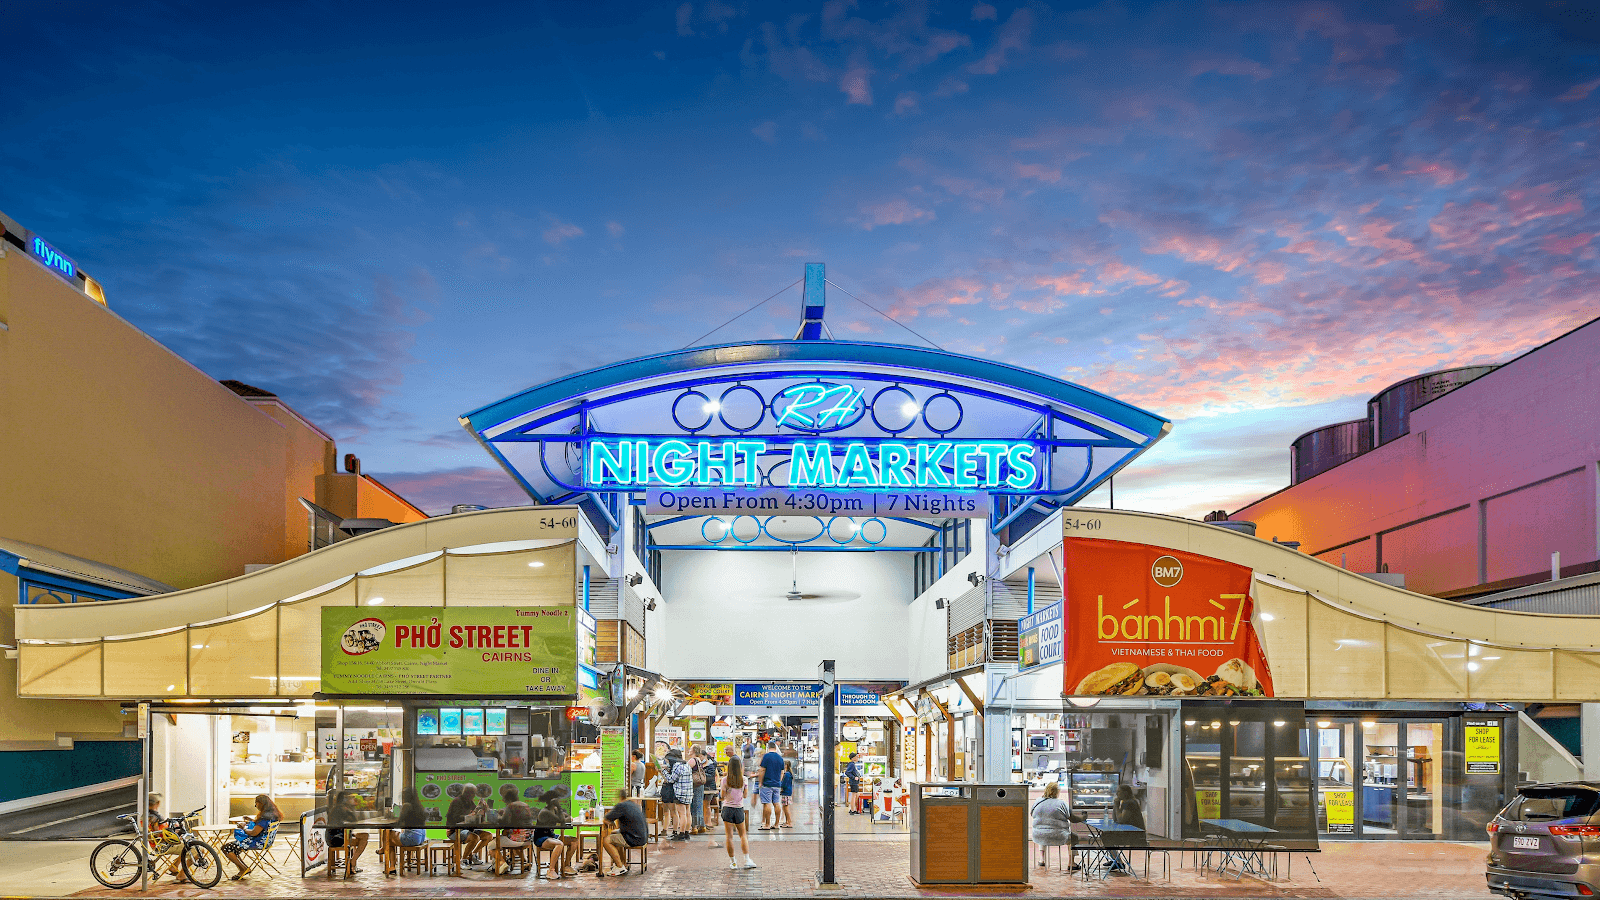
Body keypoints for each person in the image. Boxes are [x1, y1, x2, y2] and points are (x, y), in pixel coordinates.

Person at [221, 793, 282, 880]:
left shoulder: (264, 817)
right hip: (266, 841)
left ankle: (244, 869)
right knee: (233, 848)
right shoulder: (273, 814)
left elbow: (254, 833)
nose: (255, 805)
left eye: (256, 803)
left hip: (258, 842)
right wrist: (251, 820)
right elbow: (261, 827)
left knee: (226, 848)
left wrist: (243, 827)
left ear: (261, 804)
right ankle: (243, 868)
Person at [1029, 781, 1083, 872]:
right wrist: (1083, 817)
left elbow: (1031, 814)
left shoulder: (1037, 802)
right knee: (1074, 837)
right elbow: (1072, 818)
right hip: (1059, 836)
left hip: (1038, 835)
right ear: (1057, 792)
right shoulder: (1061, 803)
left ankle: (1041, 859)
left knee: (1043, 829)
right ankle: (1071, 863)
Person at [532, 788, 581, 877]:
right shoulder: (545, 812)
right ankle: (551, 870)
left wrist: (562, 815)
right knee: (559, 844)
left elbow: (568, 817)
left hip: (551, 836)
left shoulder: (554, 810)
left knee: (574, 841)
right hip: (541, 838)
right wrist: (560, 809)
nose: (559, 800)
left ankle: (566, 866)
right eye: (557, 799)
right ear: (552, 800)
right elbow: (562, 820)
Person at [719, 755, 757, 870]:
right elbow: (745, 795)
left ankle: (733, 862)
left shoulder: (724, 780)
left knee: (729, 836)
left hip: (727, 809)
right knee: (743, 835)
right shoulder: (744, 779)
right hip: (739, 809)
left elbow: (722, 796)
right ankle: (747, 860)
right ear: (740, 766)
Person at [601, 788, 649, 876]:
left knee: (606, 840)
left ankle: (619, 867)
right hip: (643, 837)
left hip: (634, 838)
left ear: (619, 797)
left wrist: (609, 821)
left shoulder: (621, 806)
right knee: (615, 836)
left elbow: (606, 819)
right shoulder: (633, 804)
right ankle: (623, 864)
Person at [380, 789, 427, 877]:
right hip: (421, 837)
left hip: (412, 838)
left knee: (387, 835)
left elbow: (399, 821)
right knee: (390, 838)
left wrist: (392, 818)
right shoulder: (419, 806)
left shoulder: (407, 805)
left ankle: (391, 865)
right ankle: (386, 853)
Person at [445, 785, 493, 868]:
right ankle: (463, 861)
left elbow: (475, 814)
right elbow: (453, 818)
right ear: (468, 793)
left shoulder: (470, 801)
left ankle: (473, 855)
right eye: (473, 793)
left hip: (469, 829)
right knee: (475, 838)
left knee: (488, 836)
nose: (474, 795)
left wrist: (482, 810)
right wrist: (468, 815)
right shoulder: (457, 801)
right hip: (455, 831)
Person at [327, 790, 372, 878]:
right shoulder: (340, 809)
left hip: (341, 835)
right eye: (350, 798)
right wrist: (353, 808)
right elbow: (354, 820)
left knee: (365, 836)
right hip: (336, 838)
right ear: (344, 800)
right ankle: (353, 862)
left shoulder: (340, 808)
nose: (352, 799)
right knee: (363, 839)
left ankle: (352, 862)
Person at [494, 785, 534, 877]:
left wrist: (498, 816)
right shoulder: (524, 805)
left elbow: (505, 822)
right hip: (528, 838)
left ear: (507, 798)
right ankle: (523, 861)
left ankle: (502, 863)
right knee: (505, 835)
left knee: (492, 846)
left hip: (517, 839)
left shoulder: (511, 806)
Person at [664, 749, 693, 840]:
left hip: (680, 793)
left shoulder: (677, 766)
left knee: (682, 814)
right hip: (689, 792)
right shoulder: (686, 765)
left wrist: (663, 771)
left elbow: (671, 779)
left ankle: (681, 834)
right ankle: (687, 833)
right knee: (688, 813)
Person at [757, 741, 784, 830]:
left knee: (767, 803)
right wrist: (779, 781)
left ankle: (767, 824)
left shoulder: (766, 756)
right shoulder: (780, 758)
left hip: (767, 784)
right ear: (776, 748)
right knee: (776, 803)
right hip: (777, 784)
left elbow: (762, 770)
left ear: (768, 748)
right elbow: (782, 772)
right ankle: (776, 824)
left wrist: (760, 782)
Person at [689, 746, 708, 835]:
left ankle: (694, 827)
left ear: (693, 751)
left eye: (690, 749)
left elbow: (685, 770)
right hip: (700, 784)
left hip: (694, 784)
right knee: (699, 804)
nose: (688, 751)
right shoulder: (699, 760)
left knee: (694, 805)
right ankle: (702, 825)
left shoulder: (692, 760)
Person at [779, 761, 795, 828]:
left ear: (786, 765)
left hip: (786, 792)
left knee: (786, 808)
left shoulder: (787, 774)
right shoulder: (789, 774)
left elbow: (784, 784)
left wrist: (779, 784)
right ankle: (787, 821)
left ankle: (789, 822)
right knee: (785, 807)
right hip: (787, 792)